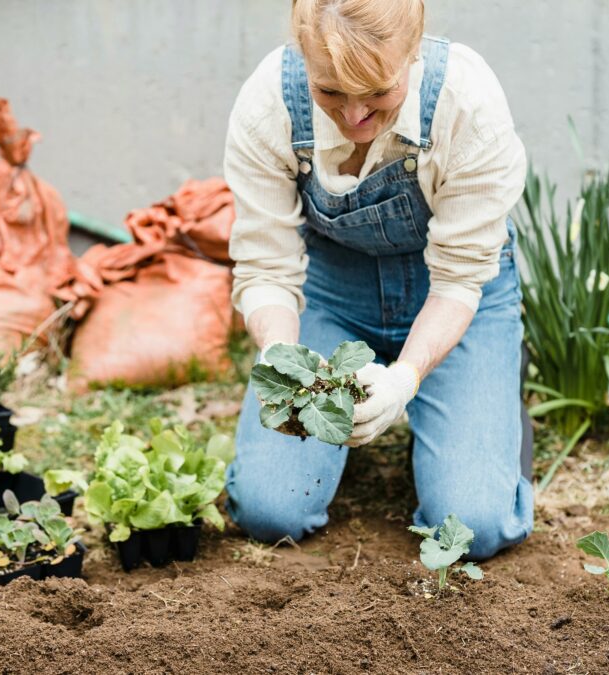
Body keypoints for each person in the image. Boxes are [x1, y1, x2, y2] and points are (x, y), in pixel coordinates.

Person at [223, 0, 531, 560]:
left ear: (413, 52)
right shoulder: (270, 102)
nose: (355, 115)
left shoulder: (467, 103)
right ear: (302, 54)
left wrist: (403, 380)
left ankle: (488, 393)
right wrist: (279, 351)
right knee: (271, 511)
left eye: (379, 92)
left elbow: (461, 281)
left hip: (459, 298)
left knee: (472, 527)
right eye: (332, 91)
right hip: (333, 291)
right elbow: (267, 265)